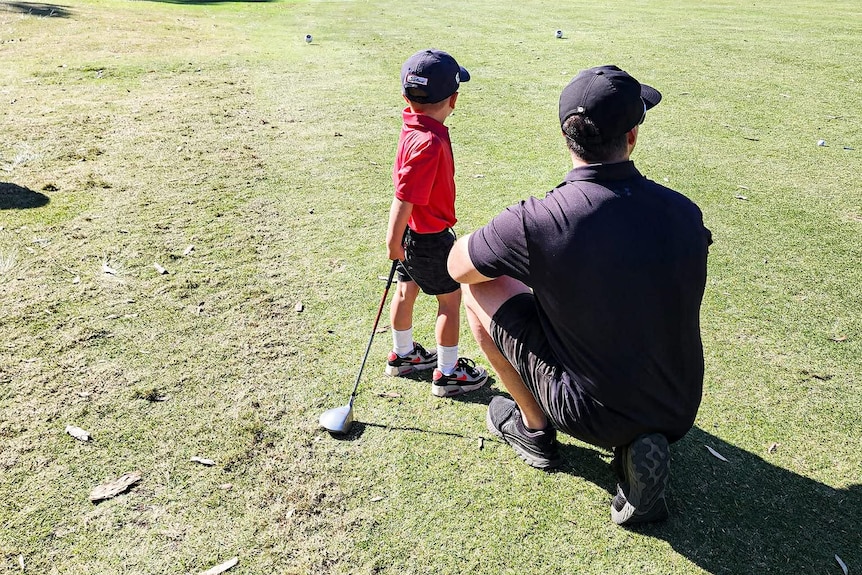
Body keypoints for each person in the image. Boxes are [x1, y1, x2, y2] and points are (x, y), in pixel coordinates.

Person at [447, 65, 712, 525]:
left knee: (479, 287)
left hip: (586, 411)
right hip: (678, 403)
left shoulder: (538, 220)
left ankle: (534, 430)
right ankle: (636, 443)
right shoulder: (685, 211)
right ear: (631, 137)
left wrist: (533, 262)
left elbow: (456, 266)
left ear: (567, 137)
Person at [384, 49, 488, 398]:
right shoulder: (429, 142)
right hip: (428, 238)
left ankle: (403, 354)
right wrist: (392, 241)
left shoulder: (411, 125)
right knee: (450, 300)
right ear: (454, 99)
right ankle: (447, 373)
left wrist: (400, 241)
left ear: (405, 97)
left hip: (413, 236)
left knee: (406, 290)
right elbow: (405, 195)